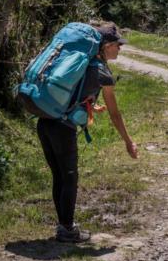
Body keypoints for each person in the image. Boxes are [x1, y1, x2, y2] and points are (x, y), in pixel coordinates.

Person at [37, 22, 138, 243]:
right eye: (117, 45)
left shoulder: (80, 62)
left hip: (44, 122)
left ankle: (64, 226)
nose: (120, 49)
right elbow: (115, 113)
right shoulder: (101, 71)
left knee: (60, 177)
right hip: (62, 128)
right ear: (107, 46)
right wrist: (128, 141)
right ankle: (67, 229)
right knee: (70, 178)